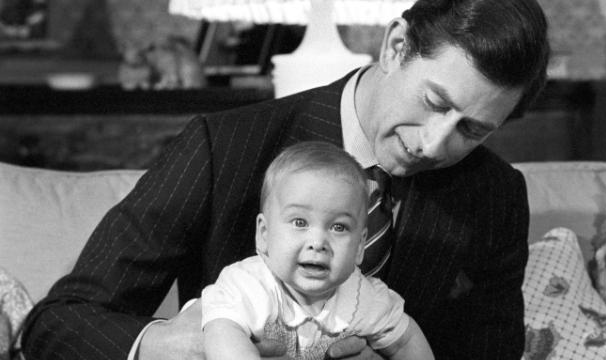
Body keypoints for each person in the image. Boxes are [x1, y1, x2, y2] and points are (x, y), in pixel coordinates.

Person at [21, 0, 550, 359]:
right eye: (435, 103)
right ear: (395, 46)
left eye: (472, 130)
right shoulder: (223, 146)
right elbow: (57, 324)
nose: (434, 145)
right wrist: (170, 344)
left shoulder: (496, 195)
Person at [200, 141, 433, 360]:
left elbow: (405, 340)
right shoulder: (249, 285)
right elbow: (222, 332)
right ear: (264, 234)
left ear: (360, 245)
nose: (318, 242)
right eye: (300, 222)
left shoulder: (363, 297)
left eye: (338, 227)